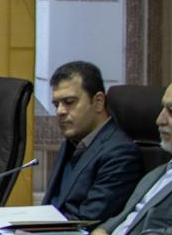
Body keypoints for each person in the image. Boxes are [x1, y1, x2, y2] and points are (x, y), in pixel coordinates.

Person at [90, 74, 172, 235]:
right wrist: (101, 232)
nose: (159, 120)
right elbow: (122, 218)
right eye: (162, 109)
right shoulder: (155, 174)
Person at [41, 60, 142, 223]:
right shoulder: (72, 144)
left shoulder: (120, 153)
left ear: (98, 102)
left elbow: (89, 220)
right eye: (56, 104)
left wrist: (36, 227)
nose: (60, 111)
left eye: (69, 102)